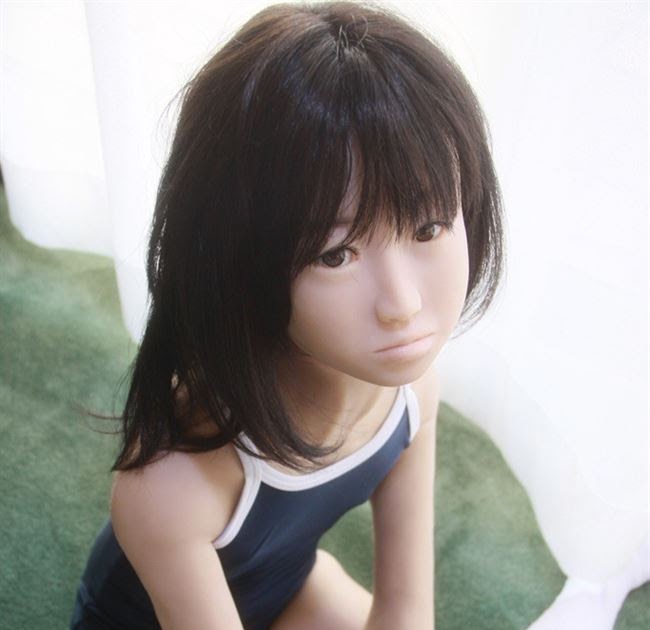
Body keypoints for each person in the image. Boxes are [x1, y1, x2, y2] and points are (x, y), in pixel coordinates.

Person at [70, 1, 505, 628]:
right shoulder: (170, 484)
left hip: (291, 592)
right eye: (336, 254)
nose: (403, 305)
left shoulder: (413, 395)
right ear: (242, 258)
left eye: (429, 226)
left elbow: (407, 612)